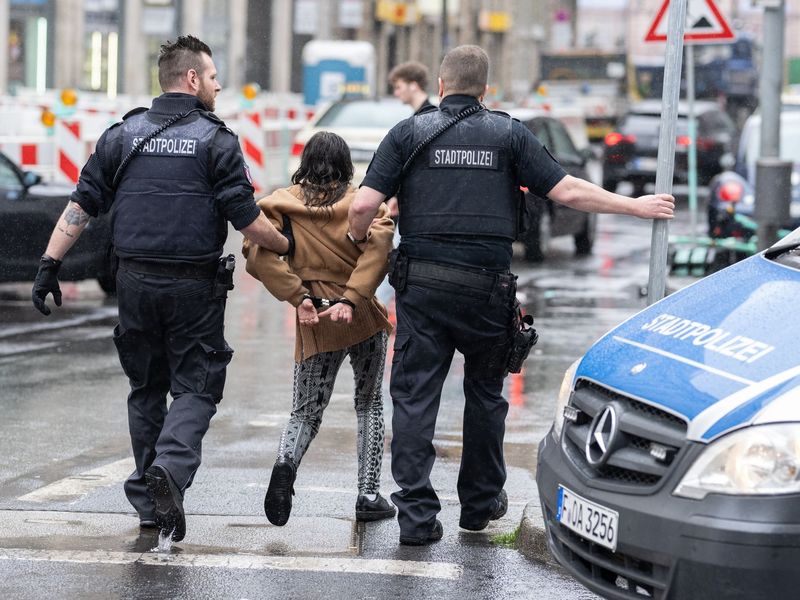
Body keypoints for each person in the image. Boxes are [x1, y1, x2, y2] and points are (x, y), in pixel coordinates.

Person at [348, 45, 675, 546]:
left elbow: (364, 205)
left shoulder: (409, 133)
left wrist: (355, 242)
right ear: (485, 90)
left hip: (422, 287)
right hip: (486, 289)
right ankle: (478, 507)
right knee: (484, 394)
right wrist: (635, 206)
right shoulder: (508, 134)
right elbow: (567, 192)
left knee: (413, 399)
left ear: (439, 86)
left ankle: (415, 519)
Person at [31, 35, 291, 543]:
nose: (219, 85)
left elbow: (81, 205)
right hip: (192, 287)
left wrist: (48, 264)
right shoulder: (216, 140)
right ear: (192, 79)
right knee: (196, 384)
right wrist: (290, 245)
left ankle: (150, 505)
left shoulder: (121, 136)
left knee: (146, 387)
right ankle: (170, 469)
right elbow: (249, 223)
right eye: (214, 77)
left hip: (132, 282)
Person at [243, 131, 396, 526]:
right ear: (346, 165)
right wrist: (352, 297)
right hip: (360, 315)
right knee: (370, 404)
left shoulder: (282, 204)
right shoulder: (360, 204)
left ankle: (284, 468)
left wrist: (299, 297)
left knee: (305, 411)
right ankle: (367, 494)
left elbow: (258, 253)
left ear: (305, 162)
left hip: (315, 317)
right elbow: (380, 247)